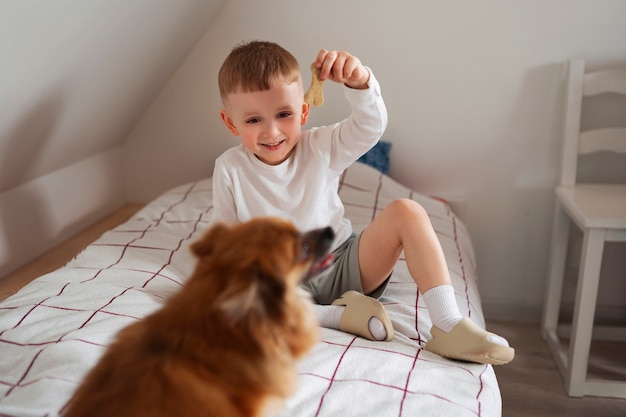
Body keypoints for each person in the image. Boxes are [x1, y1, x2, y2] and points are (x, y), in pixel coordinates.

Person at [211, 40, 514, 365]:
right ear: (231, 123)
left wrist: (360, 84)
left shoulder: (321, 146)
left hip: (343, 264)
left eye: (284, 114)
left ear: (303, 111)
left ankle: (448, 324)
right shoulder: (230, 169)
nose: (272, 131)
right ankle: (338, 317)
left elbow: (369, 127)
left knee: (407, 211)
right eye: (253, 120)